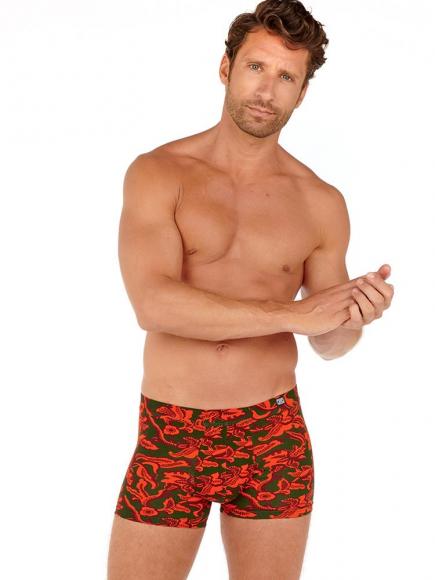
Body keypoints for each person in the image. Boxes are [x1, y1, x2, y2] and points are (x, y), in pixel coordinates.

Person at [107, 1, 394, 578]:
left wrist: (352, 318)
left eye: (286, 76)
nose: (267, 90)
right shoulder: (160, 173)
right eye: (256, 67)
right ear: (226, 68)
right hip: (172, 432)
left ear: (302, 93)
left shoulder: (321, 202)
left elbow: (329, 343)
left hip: (272, 434)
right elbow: (153, 304)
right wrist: (292, 315)